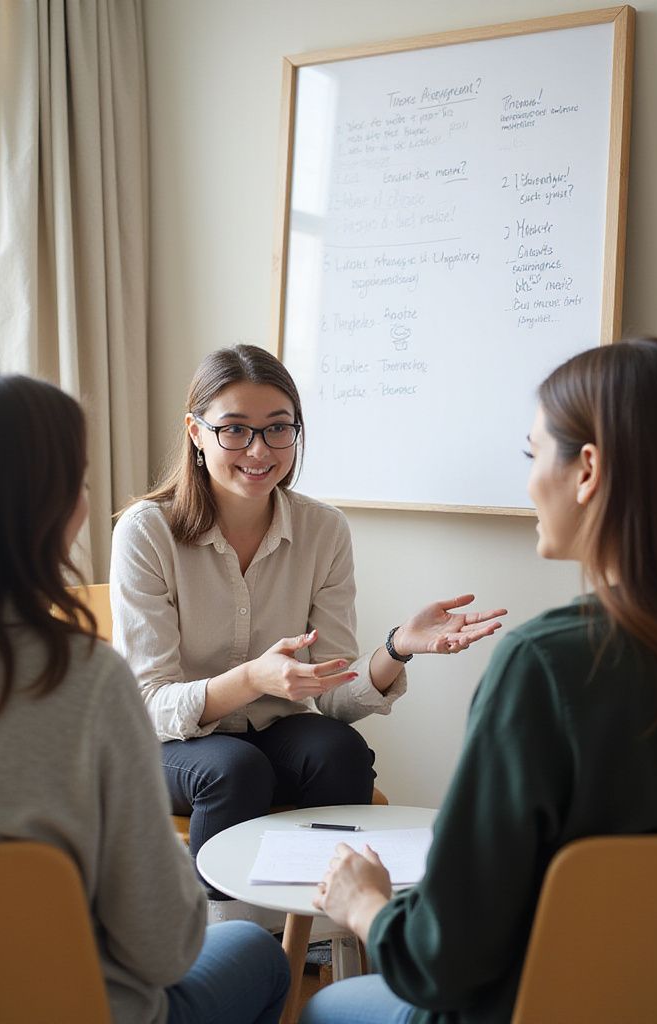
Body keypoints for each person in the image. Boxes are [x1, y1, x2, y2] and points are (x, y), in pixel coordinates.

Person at [302, 337, 657, 1024]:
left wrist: (366, 903)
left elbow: (439, 965)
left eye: (534, 456)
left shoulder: (547, 668)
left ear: (588, 469)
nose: (529, 481)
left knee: (328, 1011)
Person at [0, 369, 289, 1024]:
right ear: (50, 509)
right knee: (254, 950)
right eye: (81, 480)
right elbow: (164, 949)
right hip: (73, 1010)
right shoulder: (85, 680)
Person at [110, 344, 504, 911]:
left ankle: (327, 931)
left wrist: (396, 648)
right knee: (234, 769)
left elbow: (337, 698)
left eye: (278, 430)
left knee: (339, 750)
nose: (259, 450)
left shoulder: (323, 530)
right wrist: (253, 679)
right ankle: (223, 943)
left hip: (267, 730)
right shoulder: (148, 533)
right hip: (167, 741)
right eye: (235, 431)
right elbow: (147, 703)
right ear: (196, 433)